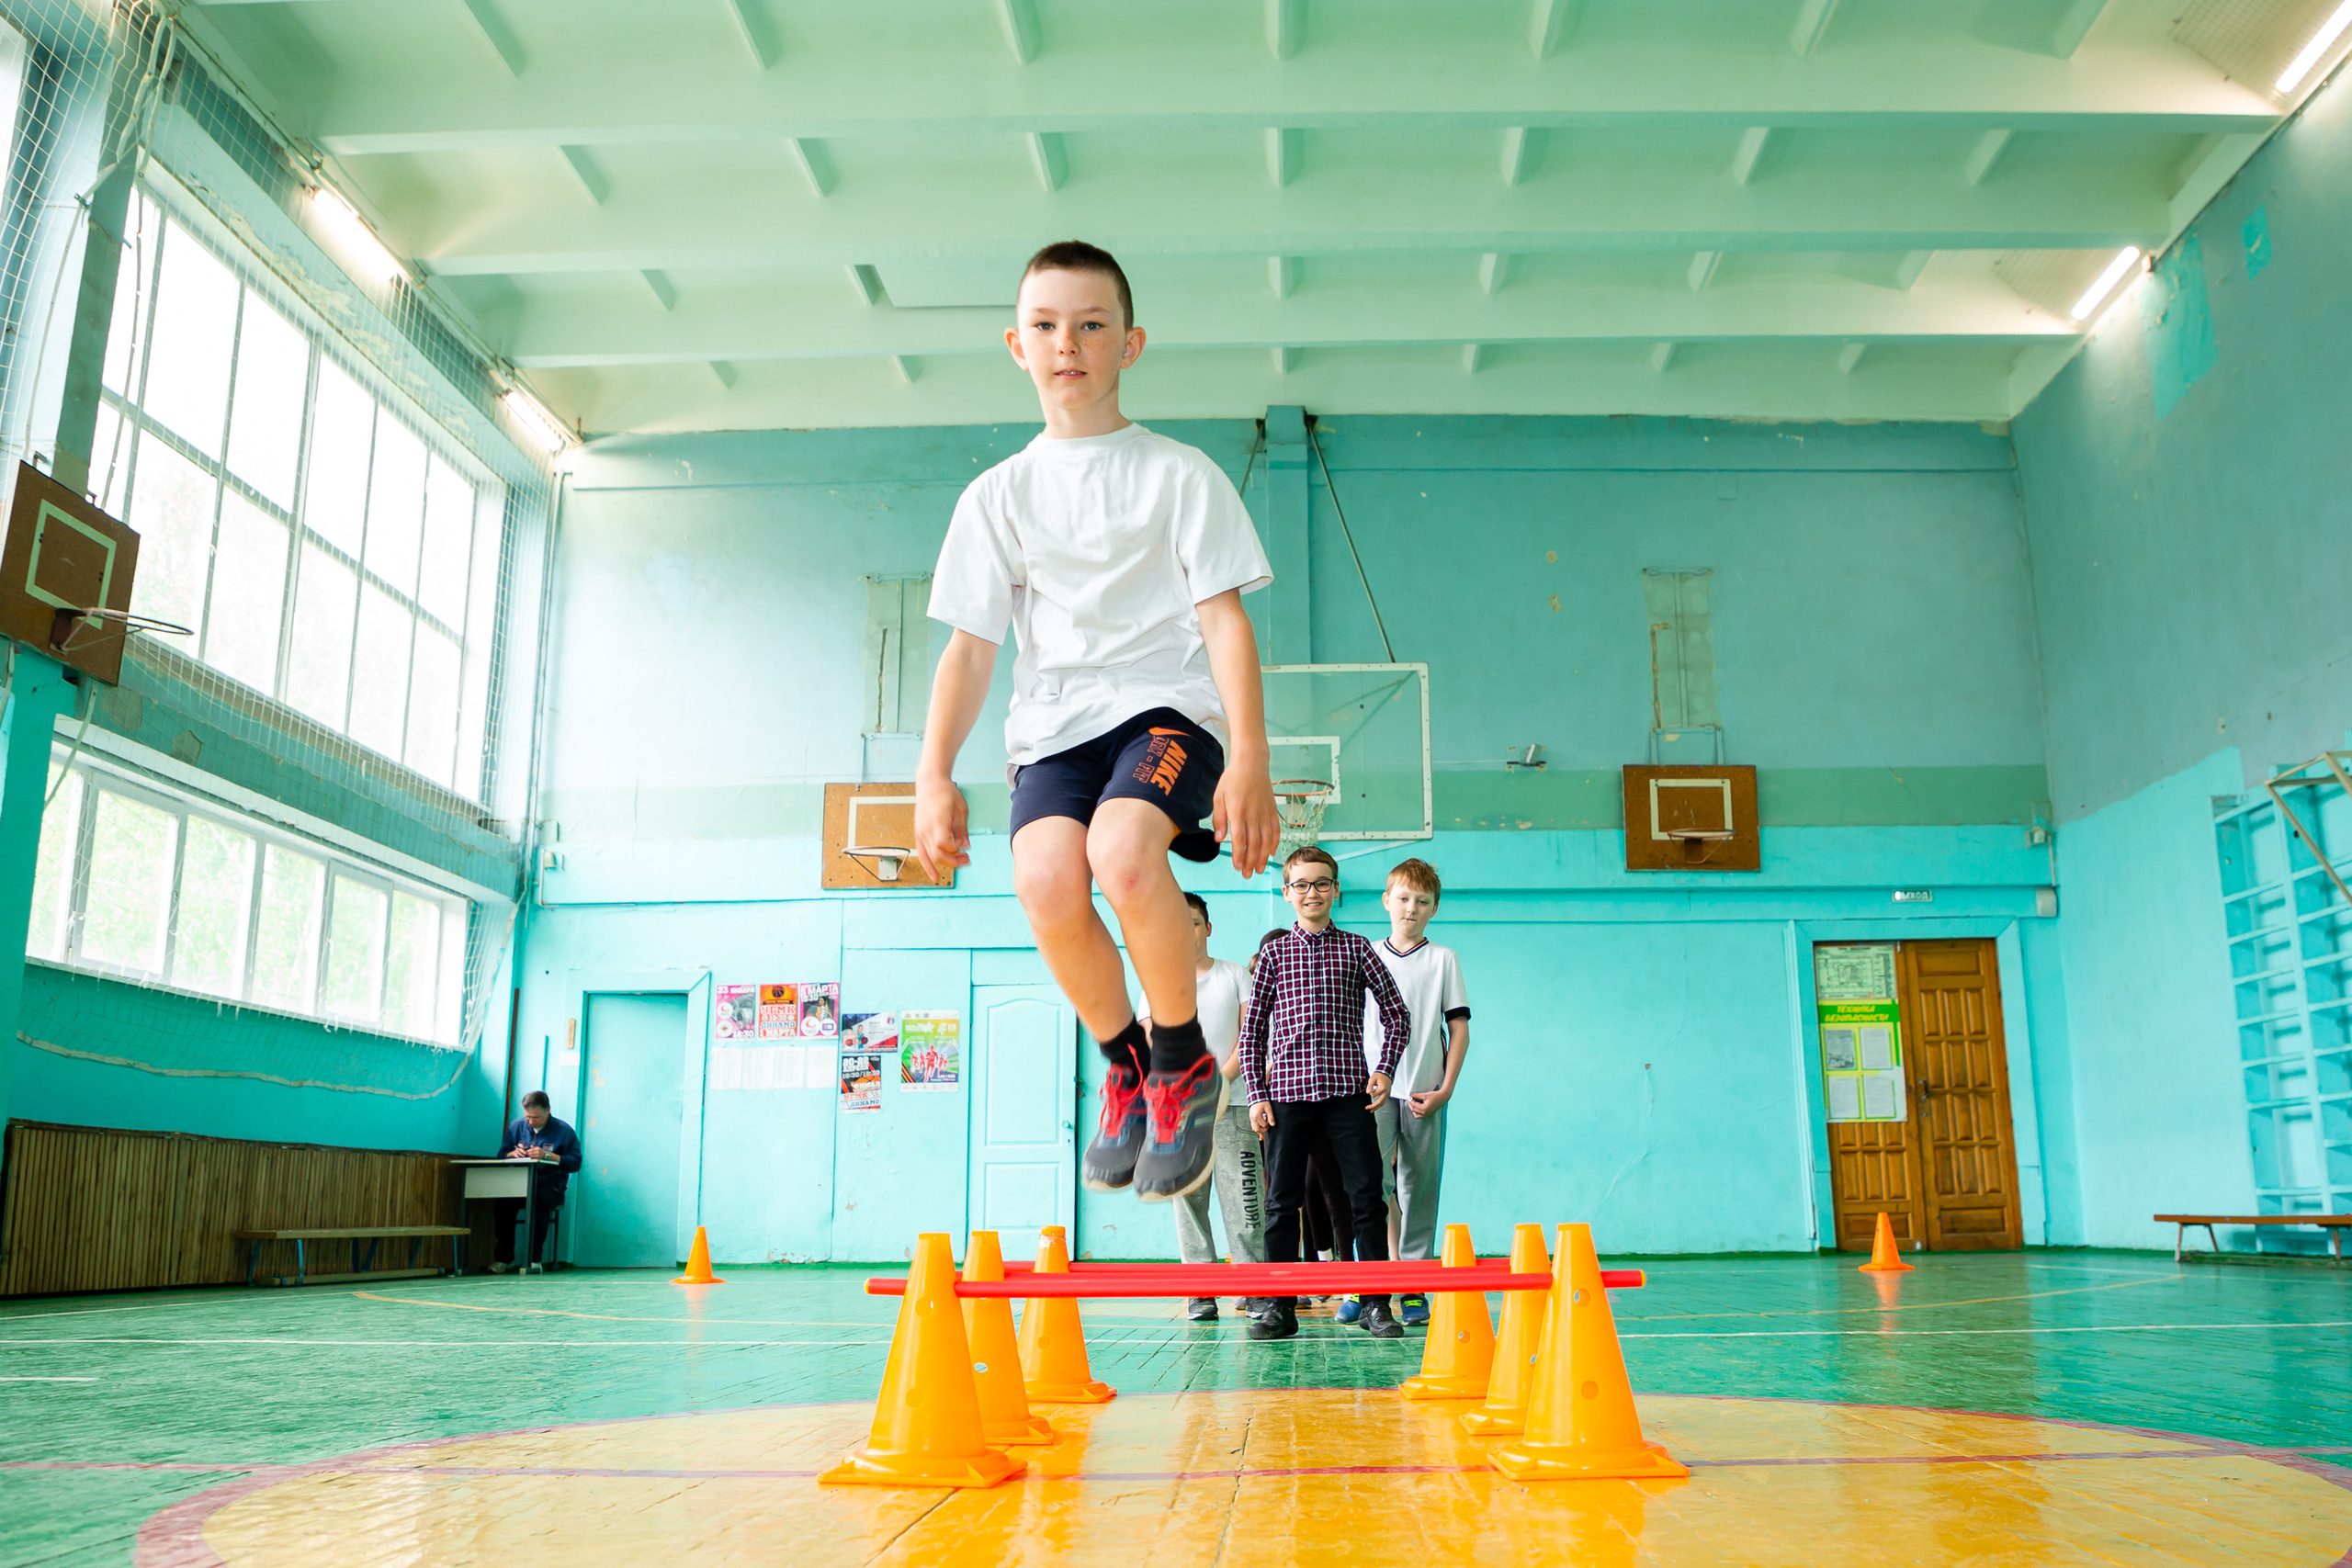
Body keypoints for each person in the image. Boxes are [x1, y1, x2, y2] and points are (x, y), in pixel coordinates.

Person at [914, 239, 1280, 1202]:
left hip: (1167, 711)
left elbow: (1224, 619)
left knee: (1122, 853)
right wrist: (931, 773)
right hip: (1054, 728)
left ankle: (1181, 1059)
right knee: (1042, 878)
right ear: (1015, 345)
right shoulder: (996, 496)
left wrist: (1249, 759)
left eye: (1090, 325)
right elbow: (970, 649)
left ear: (1130, 344)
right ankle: (1124, 1063)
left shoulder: (1179, 473)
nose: (1066, 343)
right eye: (1045, 326)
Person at [1238, 846, 1411, 1340]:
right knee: (1280, 1203)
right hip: (1287, 1098)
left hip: (1346, 1097)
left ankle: (1378, 1304)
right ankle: (1279, 1305)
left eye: (1321, 883)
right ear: (1287, 892)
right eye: (1302, 884)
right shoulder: (1273, 953)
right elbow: (1252, 1033)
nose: (1311, 892)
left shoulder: (1358, 949)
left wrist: (1384, 1069)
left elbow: (1398, 1014)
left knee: (1366, 1199)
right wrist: (1256, 1094)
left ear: (1336, 890)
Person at [1360, 857, 1471, 1328]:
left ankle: (1414, 1285)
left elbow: (1459, 1029)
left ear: (1434, 908)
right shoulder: (1365, 955)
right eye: (1403, 898)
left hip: (1425, 1093)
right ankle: (1369, 1285)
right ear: (1387, 901)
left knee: (1418, 1190)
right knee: (1370, 1191)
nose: (1411, 908)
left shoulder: (1443, 959)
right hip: (1374, 1092)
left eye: (1422, 901)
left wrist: (1446, 1088)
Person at [1144, 894, 1262, 1321]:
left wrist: (1219, 1082)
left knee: (1245, 1200)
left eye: (1193, 923)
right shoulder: (1157, 981)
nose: (1185, 932)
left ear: (1207, 928)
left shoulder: (1234, 976)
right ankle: (1200, 1290)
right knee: (1188, 1204)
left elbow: (1249, 1038)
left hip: (1233, 1106)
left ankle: (1252, 1288)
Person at [491, 1090, 580, 1273]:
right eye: (528, 1117)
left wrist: (548, 1156)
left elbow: (575, 1163)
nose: (531, 1122)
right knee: (502, 1205)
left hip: (549, 1186)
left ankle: (533, 1259)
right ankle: (504, 1258)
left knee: (539, 1201)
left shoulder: (564, 1131)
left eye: (536, 1118)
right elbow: (501, 1153)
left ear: (548, 1110)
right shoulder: (517, 1127)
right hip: (520, 1185)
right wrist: (513, 1154)